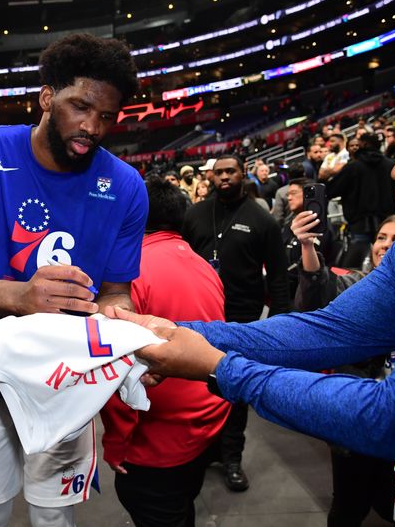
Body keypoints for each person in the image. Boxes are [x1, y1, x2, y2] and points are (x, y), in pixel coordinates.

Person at [104, 100, 395, 513]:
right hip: (236, 334)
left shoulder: (260, 220)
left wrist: (219, 366)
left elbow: (392, 416)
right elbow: (329, 330)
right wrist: (175, 331)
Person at [0, 33, 146, 527]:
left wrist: (125, 336)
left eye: (107, 117)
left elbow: (116, 293)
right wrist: (22, 297)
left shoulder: (128, 188)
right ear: (47, 97)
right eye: (81, 107)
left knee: (54, 517)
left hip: (67, 381)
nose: (92, 127)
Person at [100, 177, 229, 527]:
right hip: (208, 418)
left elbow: (117, 370)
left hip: (157, 440)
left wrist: (116, 442)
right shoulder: (204, 264)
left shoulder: (127, 276)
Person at [182, 154, 290, 492]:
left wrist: (280, 324)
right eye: (218, 173)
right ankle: (202, 453)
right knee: (196, 388)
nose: (224, 177)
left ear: (243, 174)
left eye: (231, 171)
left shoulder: (262, 220)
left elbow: (278, 277)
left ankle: (232, 457)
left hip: (242, 320)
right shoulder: (195, 215)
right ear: (211, 177)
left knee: (234, 390)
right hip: (199, 317)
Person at [291, 212, 395, 526]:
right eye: (381, 238)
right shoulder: (355, 283)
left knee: (391, 506)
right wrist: (307, 246)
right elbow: (316, 297)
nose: (385, 245)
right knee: (347, 506)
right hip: (353, 420)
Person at [326, 132, 395, 269]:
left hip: (359, 225)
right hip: (386, 223)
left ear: (363, 145)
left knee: (354, 270)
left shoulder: (353, 167)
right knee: (390, 265)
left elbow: (330, 190)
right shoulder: (390, 165)